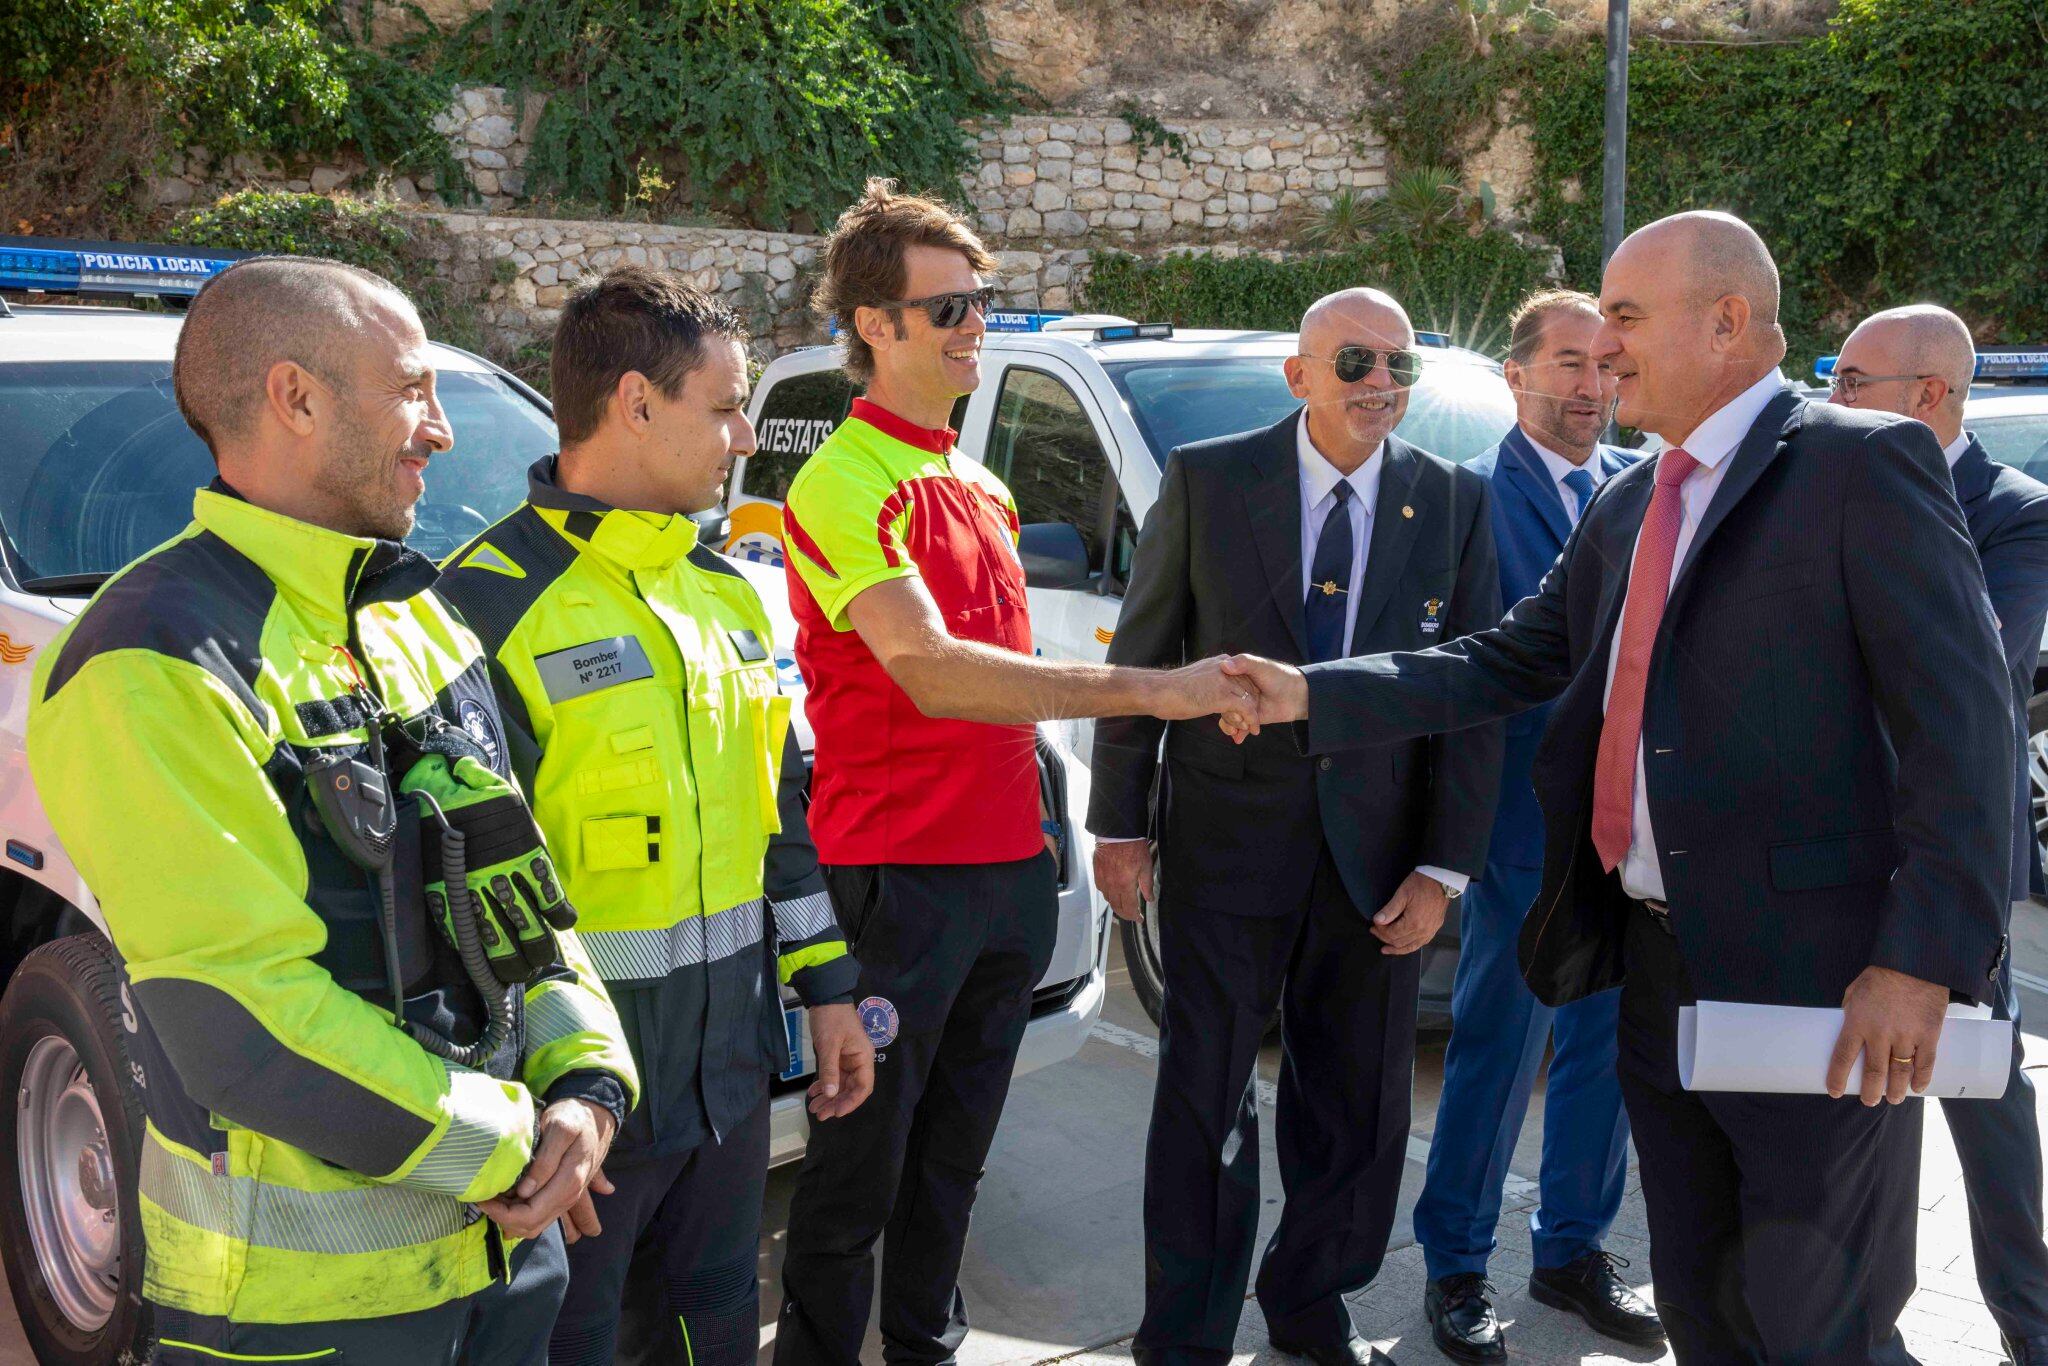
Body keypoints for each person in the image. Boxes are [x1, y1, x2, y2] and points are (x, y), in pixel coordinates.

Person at [1219, 211, 2014, 1364]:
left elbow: (1964, 726)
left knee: (1818, 1324)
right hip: (1653, 971)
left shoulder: (1857, 461)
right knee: (1704, 1301)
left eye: (1627, 318)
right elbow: (1507, 656)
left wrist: (1922, 959)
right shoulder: (1632, 496)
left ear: (1727, 321)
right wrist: (1310, 692)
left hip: (1818, 992)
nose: (1605, 344)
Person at [27, 256, 639, 1363]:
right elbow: (239, 1020)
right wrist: (515, 1142)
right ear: (295, 397)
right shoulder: (149, 657)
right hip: (298, 1317)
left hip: (505, 1263)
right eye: (413, 389)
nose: (441, 432)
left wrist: (587, 1089)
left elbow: (523, 900)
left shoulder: (418, 618)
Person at [773, 179, 1249, 1366]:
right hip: (892, 879)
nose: (973, 325)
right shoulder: (838, 481)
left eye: (980, 302)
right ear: (873, 326)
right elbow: (936, 674)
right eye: (947, 308)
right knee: (858, 1174)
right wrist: (1155, 689)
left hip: (998, 872)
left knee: (954, 1160)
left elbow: (1007, 683)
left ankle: (924, 1346)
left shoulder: (980, 484)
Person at [438, 267, 871, 1366]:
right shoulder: (481, 604)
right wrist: (542, 1093)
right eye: (724, 408)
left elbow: (778, 815)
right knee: (569, 1344)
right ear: (634, 403)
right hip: (577, 1111)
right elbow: (460, 893)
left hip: (724, 1088)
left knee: (716, 1329)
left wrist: (825, 988)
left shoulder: (724, 593)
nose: (741, 440)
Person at [1089, 287, 1503, 1366]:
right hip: (1226, 846)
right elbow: (1142, 660)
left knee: (1358, 1107)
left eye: (1399, 367)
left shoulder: (1453, 502)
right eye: (1357, 361)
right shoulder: (1208, 478)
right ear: (1301, 375)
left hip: (1375, 864)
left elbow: (1470, 695)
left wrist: (1443, 867)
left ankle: (1310, 1302)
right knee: (1204, 1095)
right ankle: (1183, 1332)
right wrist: (1119, 824)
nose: (1380, 385)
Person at [1409, 287, 1659, 1362]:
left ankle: (1570, 1252)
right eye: (1566, 363)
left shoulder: (1642, 491)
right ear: (1510, 376)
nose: (1590, 386)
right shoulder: (1462, 500)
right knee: (1495, 1055)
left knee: (1607, 1053)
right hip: (1512, 834)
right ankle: (1456, 1268)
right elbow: (1448, 682)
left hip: (1627, 838)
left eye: (1605, 364)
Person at [1831, 303, 2048, 1364]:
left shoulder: (2013, 511)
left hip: (1951, 855)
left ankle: (2027, 1320)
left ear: (1928, 396)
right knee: (1863, 1101)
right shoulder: (1822, 479)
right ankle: (1871, 1327)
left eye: (1849, 381)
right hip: (1833, 846)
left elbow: (1978, 668)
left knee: (1985, 1093)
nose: (1827, 401)